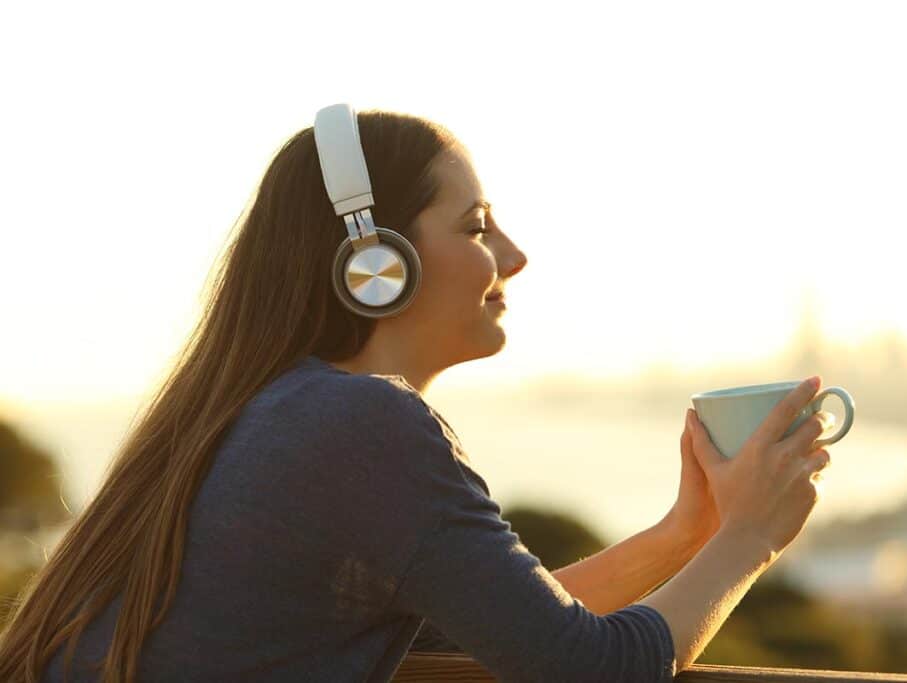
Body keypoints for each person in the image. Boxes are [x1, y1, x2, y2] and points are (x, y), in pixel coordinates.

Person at [0, 106, 832, 682]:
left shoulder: (271, 412)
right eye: (475, 226)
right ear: (376, 265)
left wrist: (690, 531)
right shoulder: (359, 421)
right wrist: (750, 537)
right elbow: (591, 666)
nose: (514, 254)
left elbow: (510, 621)